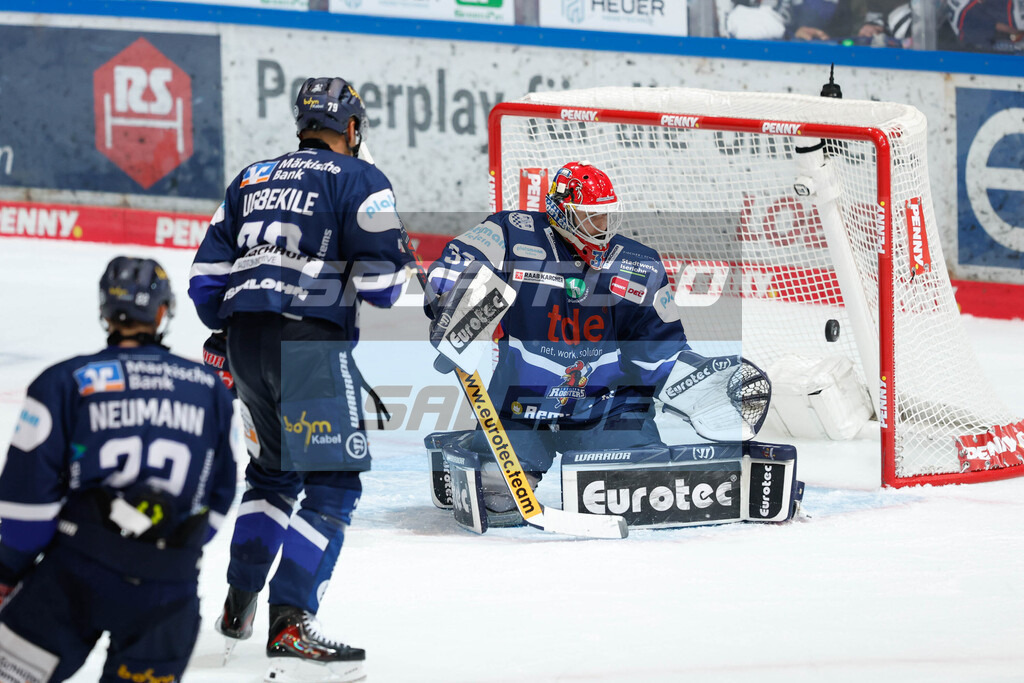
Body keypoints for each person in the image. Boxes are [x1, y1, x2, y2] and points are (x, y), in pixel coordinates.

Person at [189, 76, 413, 681]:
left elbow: (205, 283)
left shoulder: (250, 178)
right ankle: (290, 621)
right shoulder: (362, 178)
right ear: (353, 127)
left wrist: (243, 319)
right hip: (309, 345)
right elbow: (383, 289)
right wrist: (399, 256)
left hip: (243, 343)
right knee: (334, 483)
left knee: (272, 474)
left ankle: (239, 604)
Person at [424, 162, 766, 526]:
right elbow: (457, 262)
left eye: (605, 215)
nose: (601, 226)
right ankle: (471, 453)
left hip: (608, 410)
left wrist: (697, 383)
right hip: (522, 405)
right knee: (495, 500)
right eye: (591, 216)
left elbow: (658, 351)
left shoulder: (640, 265)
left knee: (648, 495)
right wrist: (449, 299)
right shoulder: (513, 233)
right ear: (562, 211)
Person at [0, 256, 237, 682]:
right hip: (168, 591)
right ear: (162, 313)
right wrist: (167, 553)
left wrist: (8, 571)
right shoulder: (210, 391)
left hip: (75, 576)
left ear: (104, 310)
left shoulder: (63, 381)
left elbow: (25, 510)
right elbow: (220, 496)